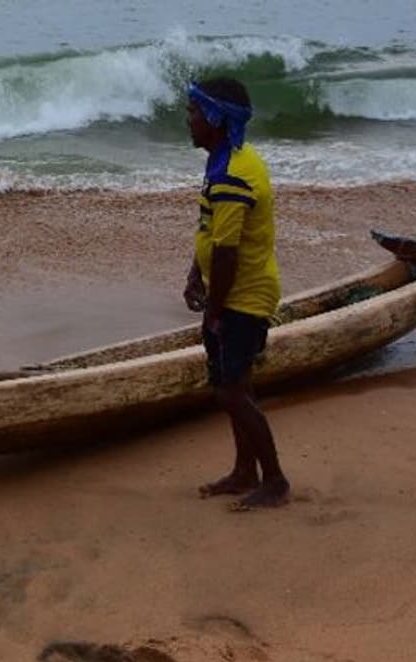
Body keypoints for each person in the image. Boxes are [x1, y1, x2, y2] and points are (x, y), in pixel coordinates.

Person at [182, 77, 290, 510]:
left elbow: (227, 253)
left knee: (229, 391)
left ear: (215, 119)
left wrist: (216, 308)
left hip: (243, 295)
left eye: (193, 113)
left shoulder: (234, 173)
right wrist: (195, 274)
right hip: (235, 291)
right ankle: (245, 472)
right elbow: (211, 231)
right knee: (238, 383)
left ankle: (276, 481)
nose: (187, 121)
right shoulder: (226, 160)